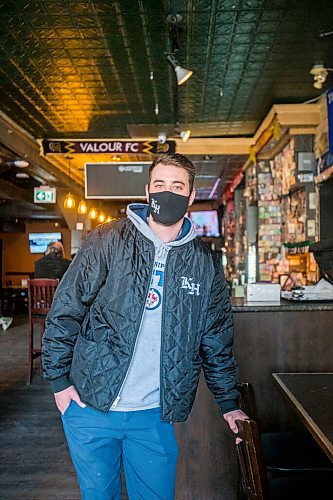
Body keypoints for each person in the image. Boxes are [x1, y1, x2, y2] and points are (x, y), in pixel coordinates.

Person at [42, 153, 247, 500]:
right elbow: (65, 311)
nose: (167, 193)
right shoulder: (106, 241)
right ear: (147, 190)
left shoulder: (205, 264)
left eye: (177, 186)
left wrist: (229, 402)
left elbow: (215, 339)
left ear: (191, 196)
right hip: (90, 406)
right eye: (160, 184)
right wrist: (60, 384)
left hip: (154, 415)